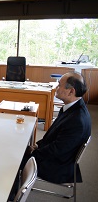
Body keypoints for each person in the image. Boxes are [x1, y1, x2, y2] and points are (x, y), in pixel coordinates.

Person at [8, 71, 91, 200]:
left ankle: (11, 196)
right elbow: (53, 138)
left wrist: (33, 153)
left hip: (59, 165)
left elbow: (57, 150)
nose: (57, 88)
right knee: (20, 147)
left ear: (71, 91)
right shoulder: (74, 108)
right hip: (56, 155)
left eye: (60, 85)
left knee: (15, 158)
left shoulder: (77, 121)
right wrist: (36, 146)